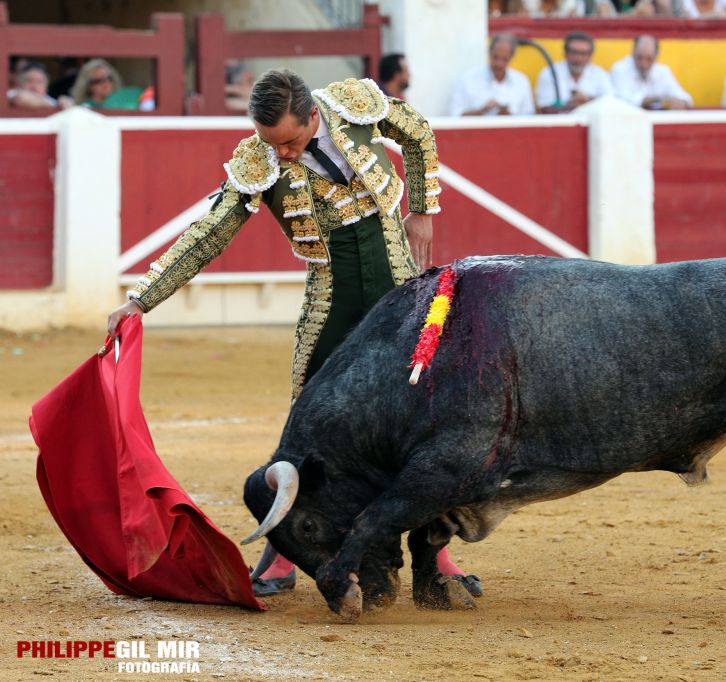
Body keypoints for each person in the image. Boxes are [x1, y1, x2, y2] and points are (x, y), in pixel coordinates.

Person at [104, 69, 481, 599]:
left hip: (399, 286)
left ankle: (435, 557)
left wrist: (422, 209)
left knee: (419, 421)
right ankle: (281, 554)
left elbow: (417, 132)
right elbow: (211, 231)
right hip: (331, 295)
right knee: (309, 425)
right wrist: (142, 297)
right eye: (270, 143)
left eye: (289, 141)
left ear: (312, 116)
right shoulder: (258, 158)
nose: (279, 154)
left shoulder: (354, 105)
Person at [450, 34, 534, 116]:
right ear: (489, 53)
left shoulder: (521, 81)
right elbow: (454, 116)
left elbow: (529, 117)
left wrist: (509, 116)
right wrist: (482, 111)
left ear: (511, 58)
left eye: (505, 59)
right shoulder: (467, 79)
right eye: (495, 57)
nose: (499, 64)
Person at [535, 32, 613, 113]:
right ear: (565, 53)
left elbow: (610, 103)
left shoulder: (600, 74)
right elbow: (544, 108)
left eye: (583, 53)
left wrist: (588, 100)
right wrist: (573, 106)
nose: (578, 58)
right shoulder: (549, 73)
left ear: (590, 55)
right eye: (574, 52)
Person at [610, 35, 693, 110]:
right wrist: (655, 100)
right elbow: (622, 100)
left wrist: (680, 102)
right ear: (632, 53)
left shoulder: (662, 71)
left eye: (649, 59)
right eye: (639, 58)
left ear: (656, 57)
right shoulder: (620, 69)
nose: (643, 64)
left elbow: (685, 98)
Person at [70, 58, 145, 110]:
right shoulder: (86, 107)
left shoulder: (120, 104)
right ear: (88, 85)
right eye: (99, 80)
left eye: (109, 78)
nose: (106, 83)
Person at [7, 62, 74, 110]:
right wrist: (56, 107)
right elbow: (20, 99)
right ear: (19, 83)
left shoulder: (50, 100)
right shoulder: (10, 94)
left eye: (39, 82)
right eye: (29, 81)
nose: (34, 86)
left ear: (46, 87)